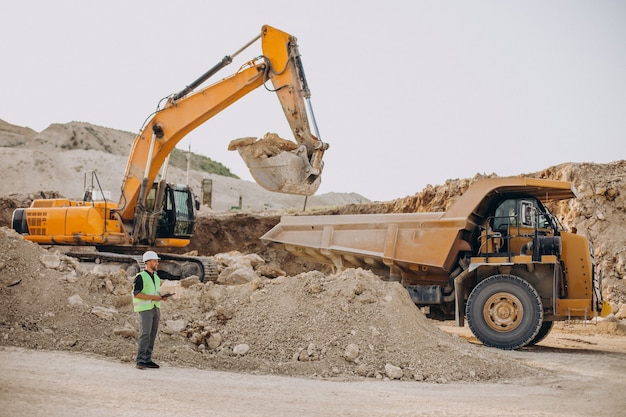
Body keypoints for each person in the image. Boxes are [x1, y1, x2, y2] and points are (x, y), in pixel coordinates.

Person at [132, 250, 170, 369]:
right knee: (145, 334)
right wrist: (154, 297)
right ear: (147, 262)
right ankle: (140, 360)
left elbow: (154, 293)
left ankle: (147, 359)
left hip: (155, 307)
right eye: (155, 261)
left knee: (152, 334)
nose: (157, 263)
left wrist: (161, 298)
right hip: (145, 308)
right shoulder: (140, 277)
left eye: (157, 261)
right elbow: (136, 294)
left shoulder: (157, 278)